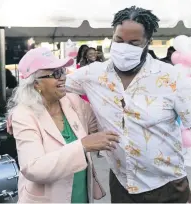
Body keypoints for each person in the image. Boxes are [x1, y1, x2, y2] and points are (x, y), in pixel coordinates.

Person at [66, 6, 191, 203]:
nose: (124, 47)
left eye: (134, 43)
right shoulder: (93, 75)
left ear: (147, 42)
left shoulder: (171, 78)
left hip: (167, 187)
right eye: (119, 40)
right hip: (121, 184)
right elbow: (53, 86)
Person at [7, 47, 120, 203]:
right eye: (56, 73)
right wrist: (82, 146)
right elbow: (33, 168)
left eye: (62, 71)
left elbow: (102, 121)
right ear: (36, 84)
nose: (63, 77)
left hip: (81, 196)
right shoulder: (24, 115)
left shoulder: (72, 102)